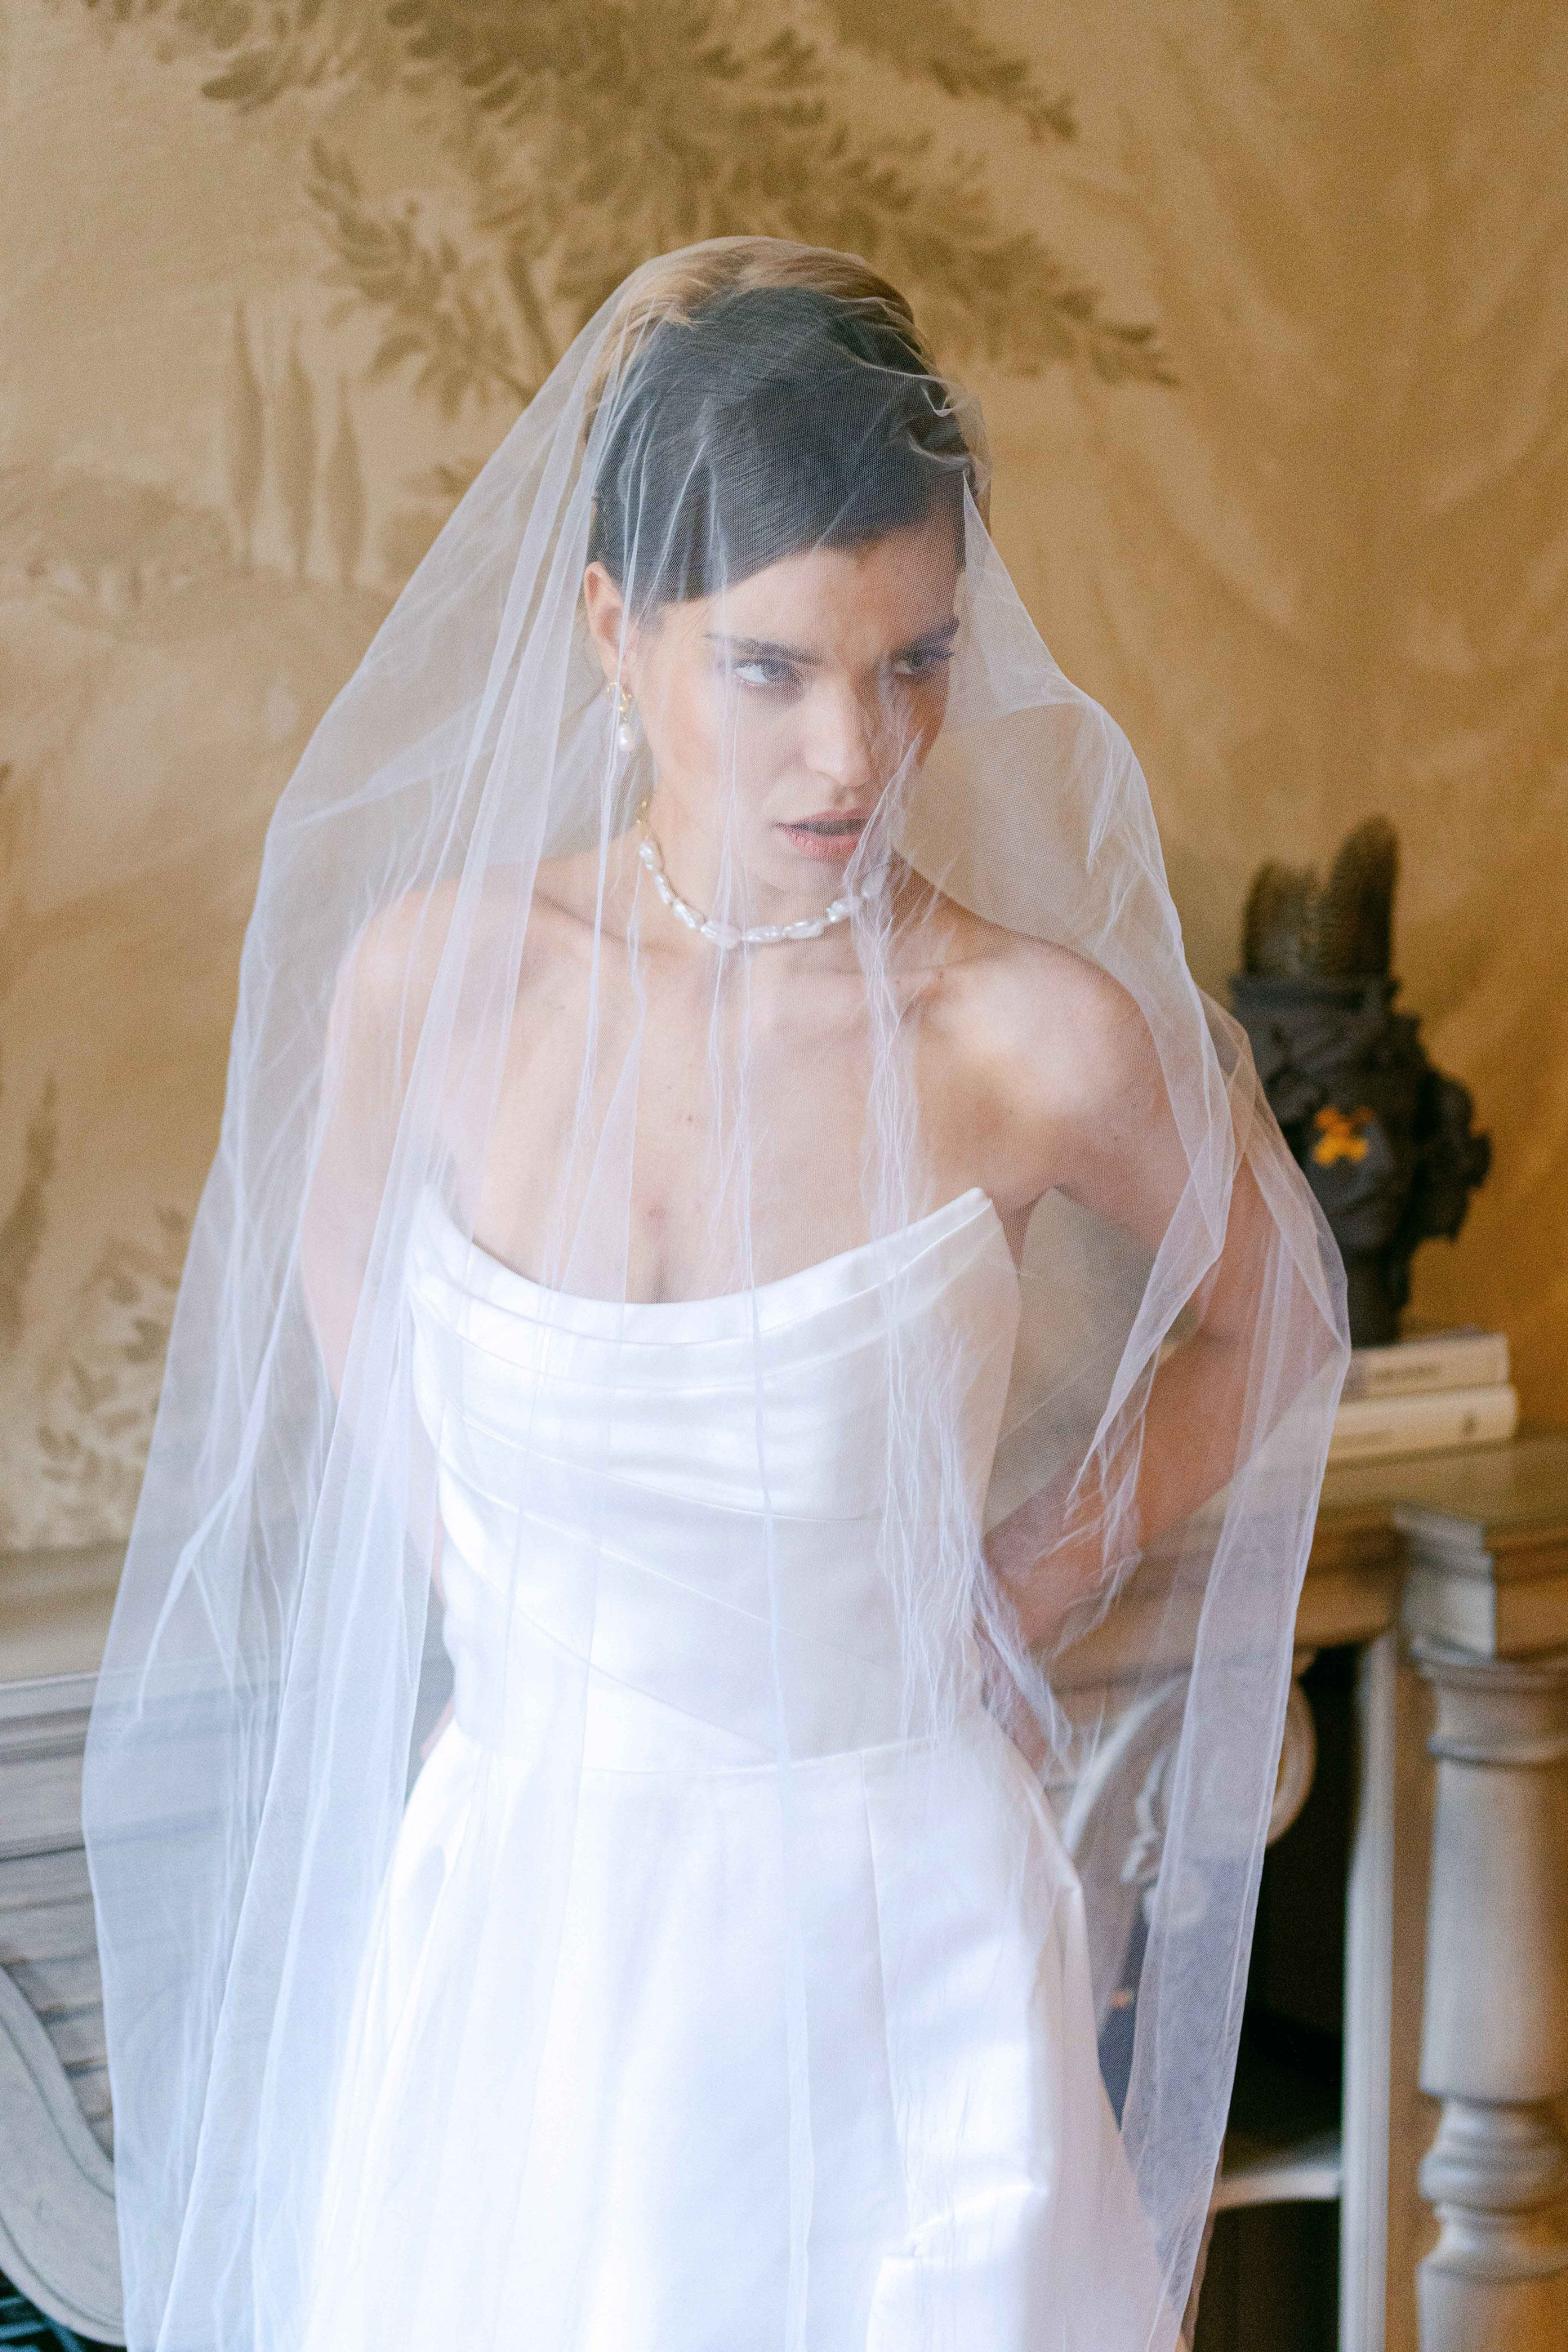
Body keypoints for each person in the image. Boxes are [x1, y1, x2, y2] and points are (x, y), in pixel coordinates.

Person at [83, 240, 1348, 2352]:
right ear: (613, 631)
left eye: (915, 660)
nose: (855, 754)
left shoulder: (1029, 1038)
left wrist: (1030, 1577)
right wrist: (491, 1584)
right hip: (528, 1926)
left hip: (890, 1934)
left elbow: (1276, 1315)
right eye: (772, 669)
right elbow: (337, 1251)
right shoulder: (442, 978)